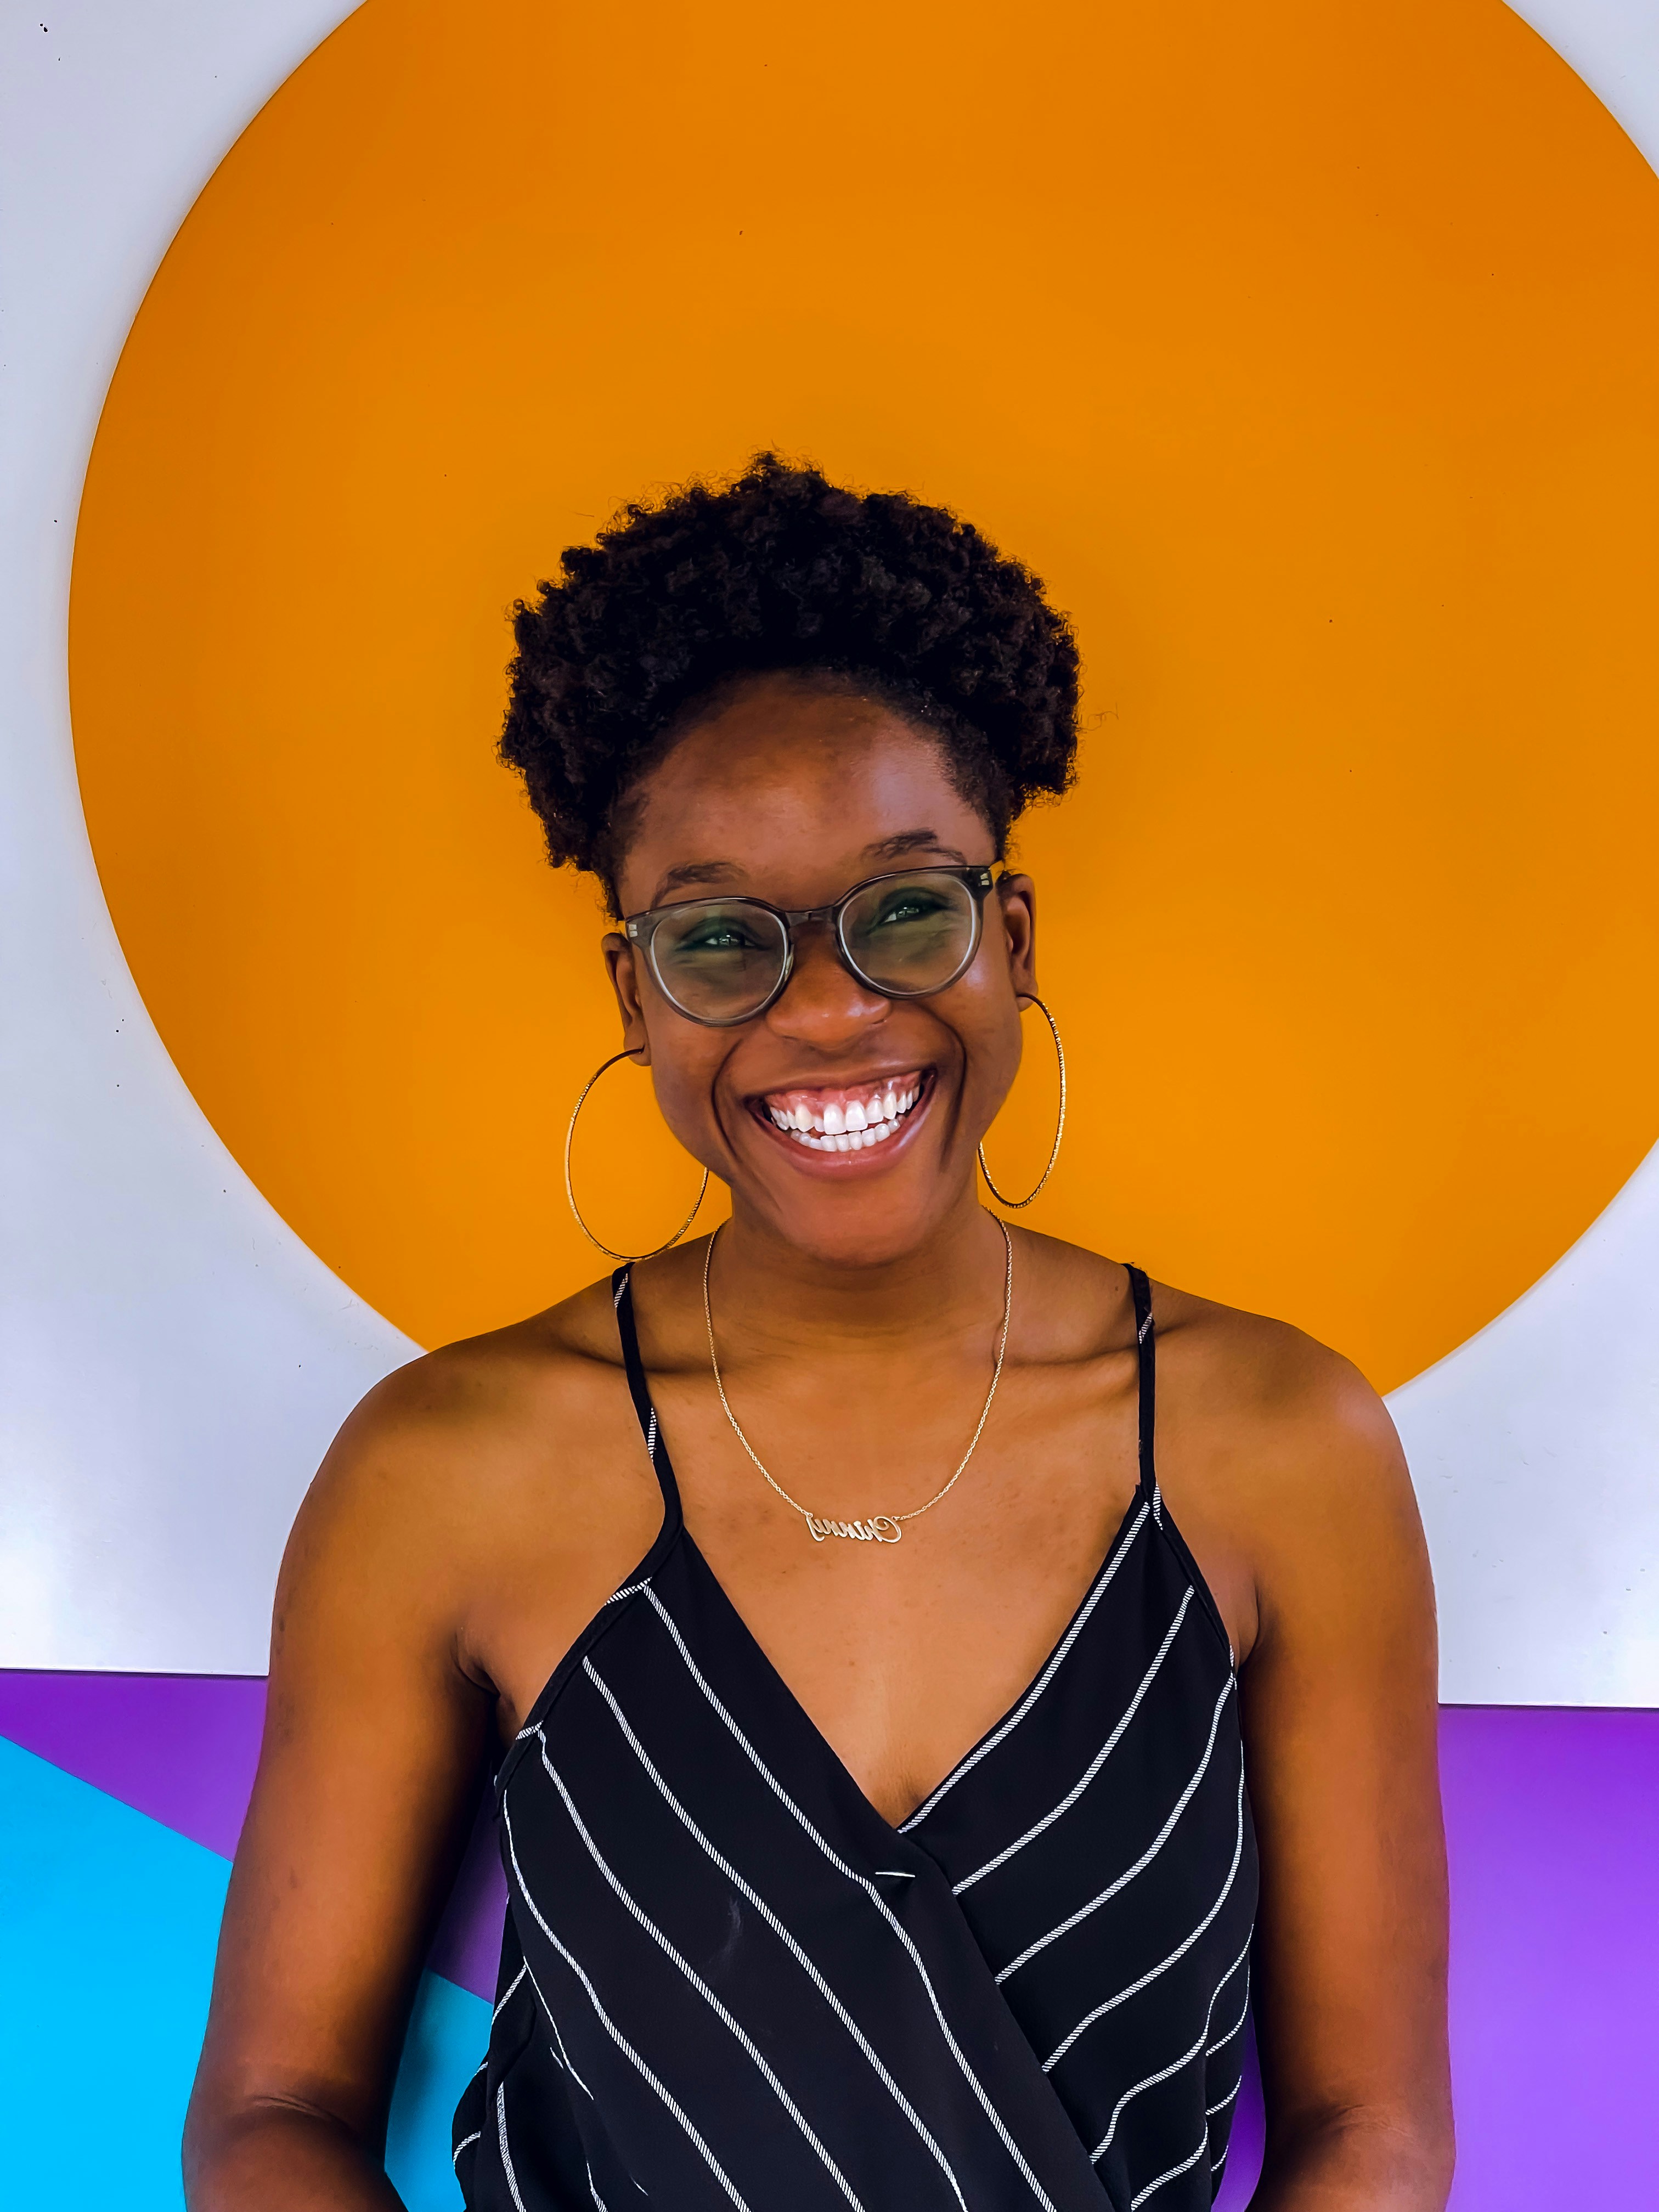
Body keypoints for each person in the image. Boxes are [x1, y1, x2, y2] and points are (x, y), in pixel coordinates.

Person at [183, 455, 1452, 2211]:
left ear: (1009, 935)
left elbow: (1369, 2131)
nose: (835, 1009)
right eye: (723, 941)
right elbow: (272, 2119)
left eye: (908, 908)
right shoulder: (444, 1473)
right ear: (634, 992)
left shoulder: (1282, 1449)